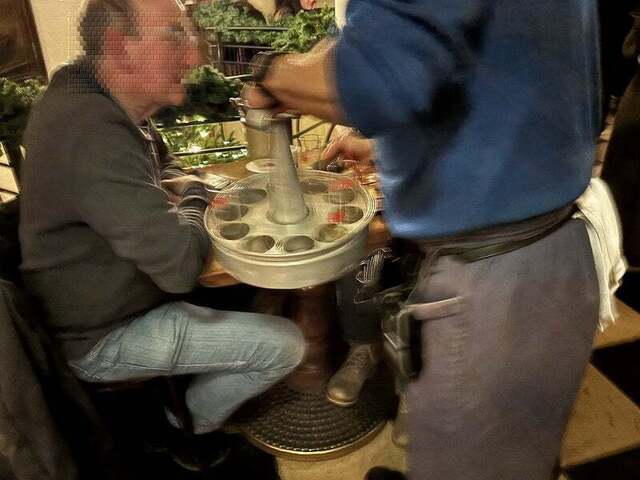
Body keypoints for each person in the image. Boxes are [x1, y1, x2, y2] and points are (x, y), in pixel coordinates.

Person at [243, 0, 602, 478]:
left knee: (474, 466)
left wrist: (268, 72)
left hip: (496, 274)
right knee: (512, 454)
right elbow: (495, 74)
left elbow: (373, 81)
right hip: (546, 250)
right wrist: (391, 150)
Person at [18, 0, 305, 469]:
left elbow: (163, 164)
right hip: (101, 334)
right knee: (286, 346)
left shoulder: (100, 93)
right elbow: (180, 268)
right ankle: (184, 427)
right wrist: (195, 195)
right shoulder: (89, 128)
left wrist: (181, 187)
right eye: (175, 36)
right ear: (119, 46)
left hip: (119, 294)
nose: (194, 56)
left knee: (254, 289)